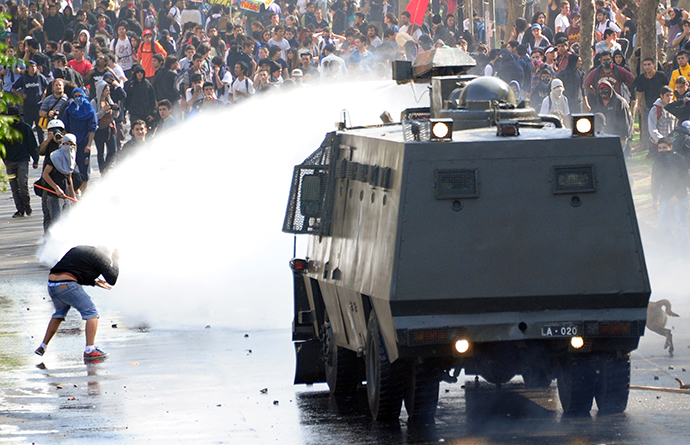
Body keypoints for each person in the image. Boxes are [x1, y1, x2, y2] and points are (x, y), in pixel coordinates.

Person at [34, 245, 119, 362]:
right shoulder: (101, 257)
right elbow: (112, 279)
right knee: (91, 313)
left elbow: (73, 270)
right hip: (66, 285)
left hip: (52, 284)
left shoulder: (80, 250)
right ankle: (90, 349)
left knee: (59, 313)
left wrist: (93, 282)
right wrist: (115, 261)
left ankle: (43, 346)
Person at [651, 137, 690, 258]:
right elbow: (655, 180)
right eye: (660, 148)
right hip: (665, 197)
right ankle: (676, 250)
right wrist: (654, 198)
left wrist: (677, 196)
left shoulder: (679, 159)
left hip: (680, 197)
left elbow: (686, 179)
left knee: (681, 227)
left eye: (664, 148)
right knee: (663, 226)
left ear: (671, 147)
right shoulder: (657, 160)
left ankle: (686, 254)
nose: (662, 150)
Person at [1, 106, 39, 218]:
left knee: (22, 183)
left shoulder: (25, 128)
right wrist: (4, 159)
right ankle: (20, 209)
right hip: (9, 161)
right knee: (14, 186)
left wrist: (35, 159)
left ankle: (27, 206)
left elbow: (32, 144)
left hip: (22, 160)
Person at [62, 88, 97, 192]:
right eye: (75, 96)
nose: (78, 98)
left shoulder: (89, 110)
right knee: (71, 168)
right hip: (72, 144)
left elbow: (92, 128)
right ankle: (73, 191)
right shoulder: (69, 109)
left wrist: (89, 144)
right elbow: (65, 127)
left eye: (80, 95)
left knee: (84, 170)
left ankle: (83, 192)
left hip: (84, 143)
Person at [12, 59, 48, 144]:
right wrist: (21, 96)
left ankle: (41, 146)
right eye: (31, 67)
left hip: (39, 106)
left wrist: (44, 94)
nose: (33, 68)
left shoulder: (39, 77)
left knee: (40, 128)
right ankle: (28, 145)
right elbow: (14, 88)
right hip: (28, 106)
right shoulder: (24, 78)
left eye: (34, 67)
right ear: (27, 68)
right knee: (28, 127)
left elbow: (47, 85)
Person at [647, 86, 677, 158]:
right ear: (661, 96)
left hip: (670, 143)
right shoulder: (655, 109)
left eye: (671, 95)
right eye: (667, 95)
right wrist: (661, 140)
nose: (669, 98)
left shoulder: (674, 107)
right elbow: (652, 127)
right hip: (658, 145)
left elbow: (676, 125)